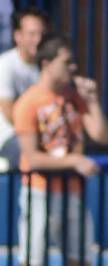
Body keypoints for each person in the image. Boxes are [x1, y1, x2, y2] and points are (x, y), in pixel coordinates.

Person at [14, 33, 108, 266]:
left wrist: (93, 100)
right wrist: (75, 159)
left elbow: (102, 135)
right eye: (66, 62)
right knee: (31, 260)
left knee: (81, 259)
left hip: (72, 192)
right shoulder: (30, 101)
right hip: (39, 190)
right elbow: (31, 155)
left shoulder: (75, 97)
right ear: (47, 64)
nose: (73, 67)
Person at [0, 7, 48, 167]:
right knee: (32, 156)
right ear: (17, 36)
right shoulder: (5, 64)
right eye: (32, 34)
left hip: (41, 135)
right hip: (8, 138)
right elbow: (9, 113)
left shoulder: (47, 67)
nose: (38, 39)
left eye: (42, 34)